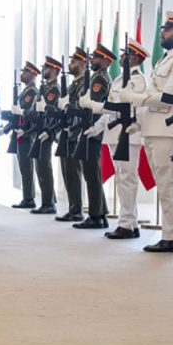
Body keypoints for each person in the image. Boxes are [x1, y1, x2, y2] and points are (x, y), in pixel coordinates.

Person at [119, 10, 173, 253]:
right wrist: (139, 122)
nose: (163, 33)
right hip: (153, 129)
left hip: (166, 129)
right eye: (164, 29)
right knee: (164, 184)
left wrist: (135, 98)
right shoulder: (166, 59)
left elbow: (169, 97)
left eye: (168, 29)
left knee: (168, 183)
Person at [87, 39, 150, 240]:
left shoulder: (137, 79)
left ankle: (126, 225)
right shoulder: (118, 80)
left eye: (126, 54)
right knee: (123, 178)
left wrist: (97, 107)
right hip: (115, 132)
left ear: (136, 58)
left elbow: (137, 106)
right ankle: (131, 222)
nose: (122, 57)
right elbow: (112, 108)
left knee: (127, 179)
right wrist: (97, 127)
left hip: (128, 133)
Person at [72, 44, 111, 229]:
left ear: (105, 61)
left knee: (92, 173)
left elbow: (94, 104)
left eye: (96, 57)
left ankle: (96, 215)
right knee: (90, 173)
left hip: (93, 129)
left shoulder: (100, 79)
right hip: (89, 128)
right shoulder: (95, 77)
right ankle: (99, 213)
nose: (92, 60)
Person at [55, 48, 87, 224]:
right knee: (67, 172)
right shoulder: (73, 84)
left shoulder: (84, 83)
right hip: (67, 132)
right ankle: (73, 207)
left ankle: (77, 210)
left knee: (74, 173)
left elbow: (82, 104)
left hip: (76, 131)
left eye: (74, 61)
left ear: (83, 63)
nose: (70, 64)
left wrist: (69, 103)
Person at [30, 56, 63, 215]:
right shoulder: (44, 88)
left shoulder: (55, 89)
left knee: (44, 166)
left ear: (55, 70)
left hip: (48, 129)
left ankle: (48, 203)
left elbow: (53, 110)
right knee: (40, 166)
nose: (44, 70)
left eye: (47, 68)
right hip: (39, 129)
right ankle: (47, 200)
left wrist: (48, 130)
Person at [11, 61, 40, 209]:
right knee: (23, 166)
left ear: (33, 74)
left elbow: (28, 112)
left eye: (25, 72)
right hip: (21, 131)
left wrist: (25, 131)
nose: (22, 74)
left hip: (28, 133)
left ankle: (29, 198)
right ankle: (27, 196)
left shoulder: (32, 92)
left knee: (26, 166)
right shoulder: (25, 92)